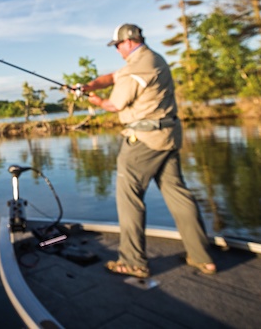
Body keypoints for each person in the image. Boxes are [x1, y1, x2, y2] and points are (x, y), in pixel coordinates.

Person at [77, 23, 216, 278]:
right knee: (178, 194)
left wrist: (96, 101)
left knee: (128, 196)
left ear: (128, 42)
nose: (117, 50)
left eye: (118, 45)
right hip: (168, 136)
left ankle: (132, 262)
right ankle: (202, 257)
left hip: (143, 140)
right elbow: (112, 77)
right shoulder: (152, 59)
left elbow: (115, 104)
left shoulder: (136, 68)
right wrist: (89, 86)